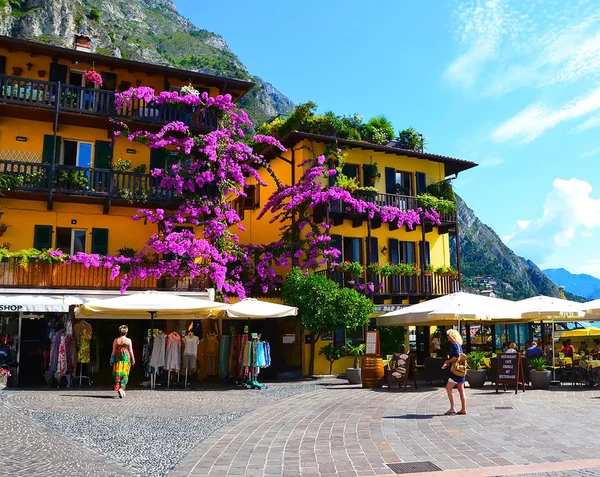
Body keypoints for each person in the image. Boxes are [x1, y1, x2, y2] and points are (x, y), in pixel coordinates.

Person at [442, 329, 467, 415]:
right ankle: (463, 408)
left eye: (448, 335)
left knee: (448, 388)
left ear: (451, 336)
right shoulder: (459, 344)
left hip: (455, 371)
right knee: (461, 389)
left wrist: (448, 361)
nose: (447, 337)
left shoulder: (453, 345)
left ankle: (452, 408)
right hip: (461, 370)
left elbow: (456, 356)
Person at [111, 325, 135, 399]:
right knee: (125, 374)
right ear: (126, 332)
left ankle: (119, 388)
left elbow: (113, 350)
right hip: (126, 359)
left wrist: (111, 358)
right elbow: (131, 351)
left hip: (117, 359)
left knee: (118, 374)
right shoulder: (128, 340)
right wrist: (133, 359)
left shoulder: (116, 340)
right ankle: (122, 388)